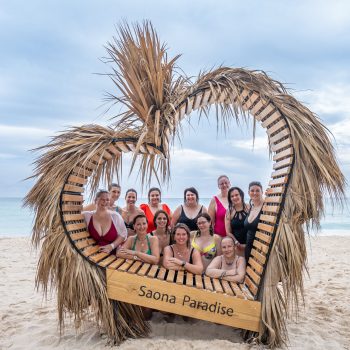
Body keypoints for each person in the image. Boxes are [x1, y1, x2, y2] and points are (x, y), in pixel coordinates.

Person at [225, 187, 249, 257]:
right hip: (237, 245)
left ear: (241, 195)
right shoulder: (229, 211)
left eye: (236, 195)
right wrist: (236, 243)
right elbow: (228, 232)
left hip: (251, 244)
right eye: (232, 196)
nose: (234, 197)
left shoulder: (249, 207)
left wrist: (249, 244)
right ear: (230, 199)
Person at [244, 181, 264, 262]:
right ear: (248, 193)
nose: (254, 193)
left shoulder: (266, 206)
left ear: (262, 192)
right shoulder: (251, 207)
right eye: (252, 190)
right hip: (248, 248)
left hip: (260, 249)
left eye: (257, 190)